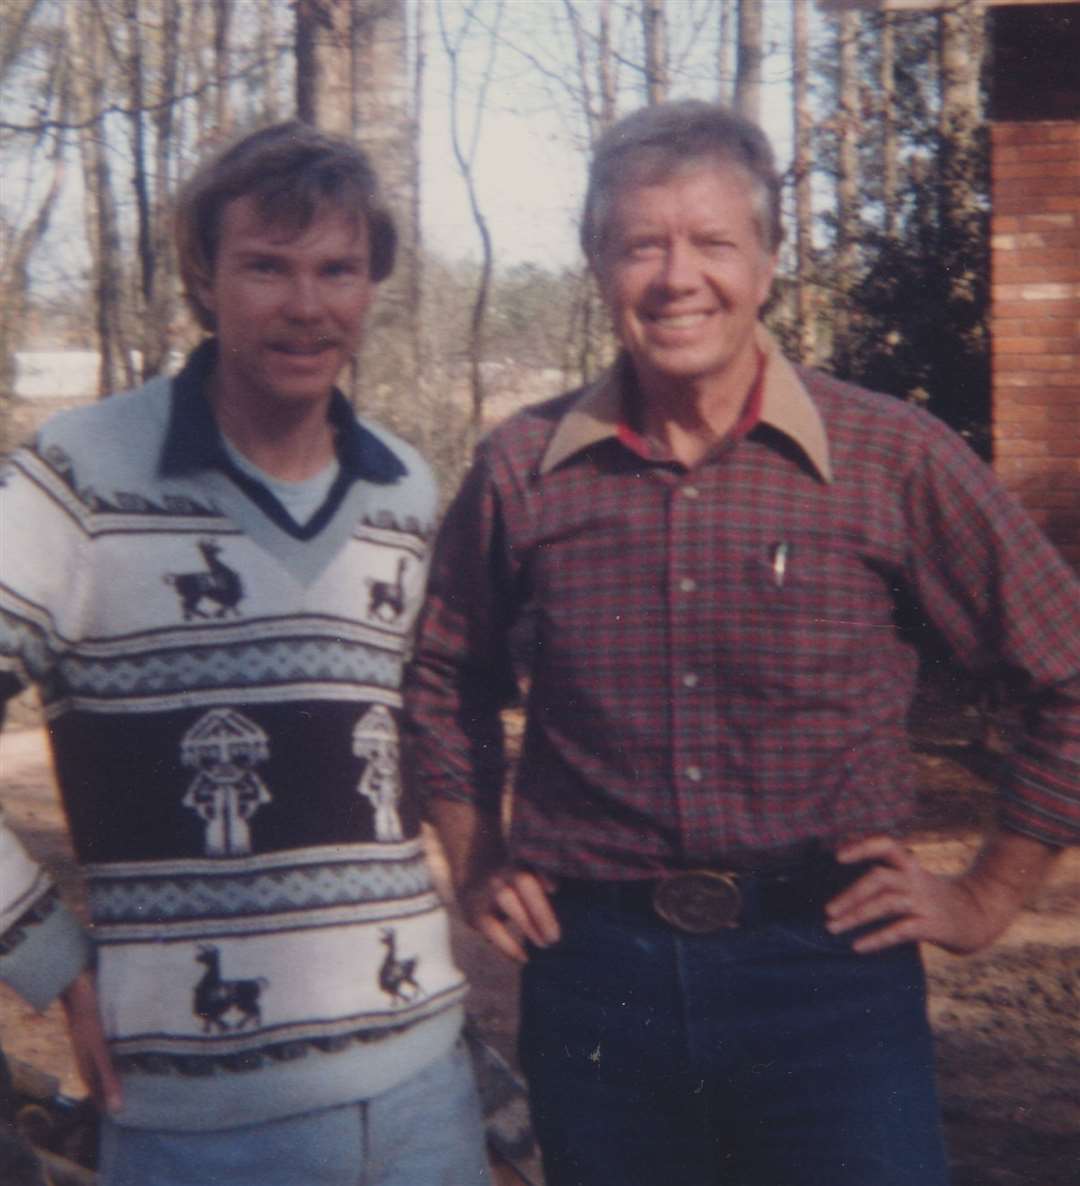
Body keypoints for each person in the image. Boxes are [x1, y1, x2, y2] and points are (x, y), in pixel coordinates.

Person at [405, 100, 1080, 1186]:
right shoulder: (520, 467)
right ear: (597, 263)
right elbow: (445, 675)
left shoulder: (889, 455)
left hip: (829, 978)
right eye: (642, 244)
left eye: (715, 241)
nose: (680, 277)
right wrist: (475, 856)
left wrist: (989, 894)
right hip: (596, 986)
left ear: (767, 262)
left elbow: (1068, 669)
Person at [0, 121, 491, 1186]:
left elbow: (423, 732)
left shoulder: (403, 491)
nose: (305, 306)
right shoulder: (84, 473)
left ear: (372, 286)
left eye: (337, 269)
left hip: (422, 1095)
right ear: (204, 278)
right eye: (266, 267)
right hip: (199, 1120)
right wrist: (45, 954)